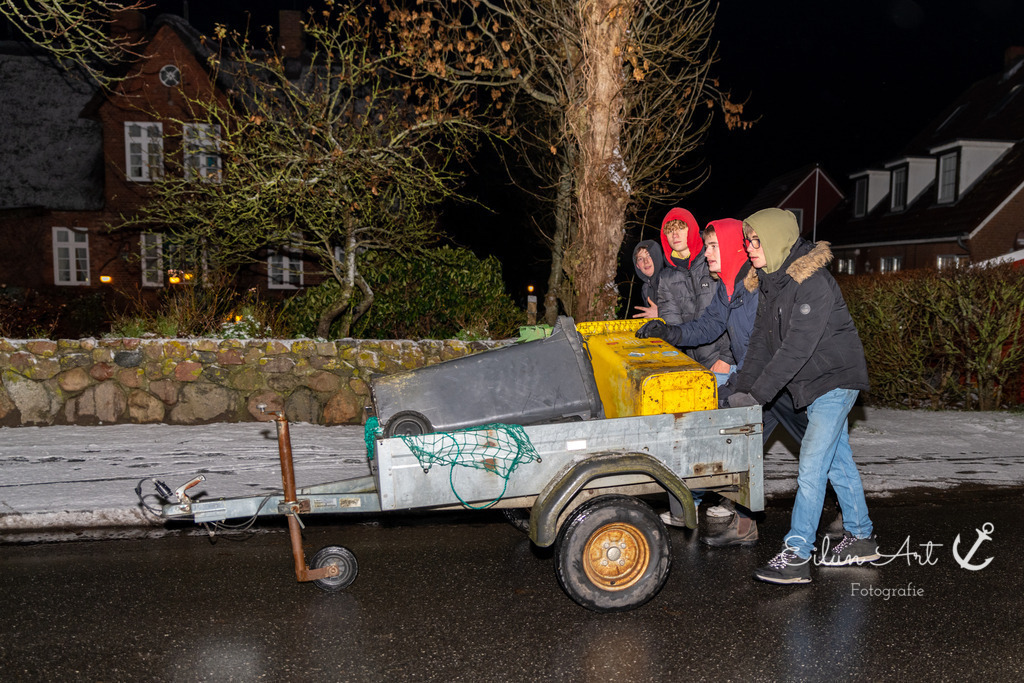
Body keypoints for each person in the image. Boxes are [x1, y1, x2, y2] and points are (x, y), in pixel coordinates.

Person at [726, 208, 878, 585]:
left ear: (777, 240)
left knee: (811, 463)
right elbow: (760, 343)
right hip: (811, 384)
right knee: (836, 462)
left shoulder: (814, 283)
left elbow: (796, 349)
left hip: (835, 380)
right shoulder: (769, 280)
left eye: (755, 241)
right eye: (747, 241)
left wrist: (757, 395)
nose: (749, 248)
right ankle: (861, 537)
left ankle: (796, 554)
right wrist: (739, 389)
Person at [637, 218, 808, 547]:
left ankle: (855, 522)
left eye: (714, 246)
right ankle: (745, 525)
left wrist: (733, 385)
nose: (707, 252)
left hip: (790, 386)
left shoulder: (755, 289)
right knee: (743, 448)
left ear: (730, 248)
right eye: (708, 245)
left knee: (824, 454)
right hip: (762, 388)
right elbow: (705, 328)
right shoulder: (727, 289)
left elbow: (764, 346)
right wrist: (667, 331)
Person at [656, 208, 733, 372]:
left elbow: (735, 314)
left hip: (725, 361)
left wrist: (727, 359)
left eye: (680, 228)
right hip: (694, 364)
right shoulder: (666, 278)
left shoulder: (713, 262)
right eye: (670, 231)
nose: (675, 235)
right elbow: (672, 324)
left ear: (691, 229)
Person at [631, 239, 664, 319]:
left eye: (649, 255)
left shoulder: (672, 279)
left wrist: (661, 314)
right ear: (638, 266)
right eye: (640, 259)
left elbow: (690, 315)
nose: (646, 261)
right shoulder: (646, 289)